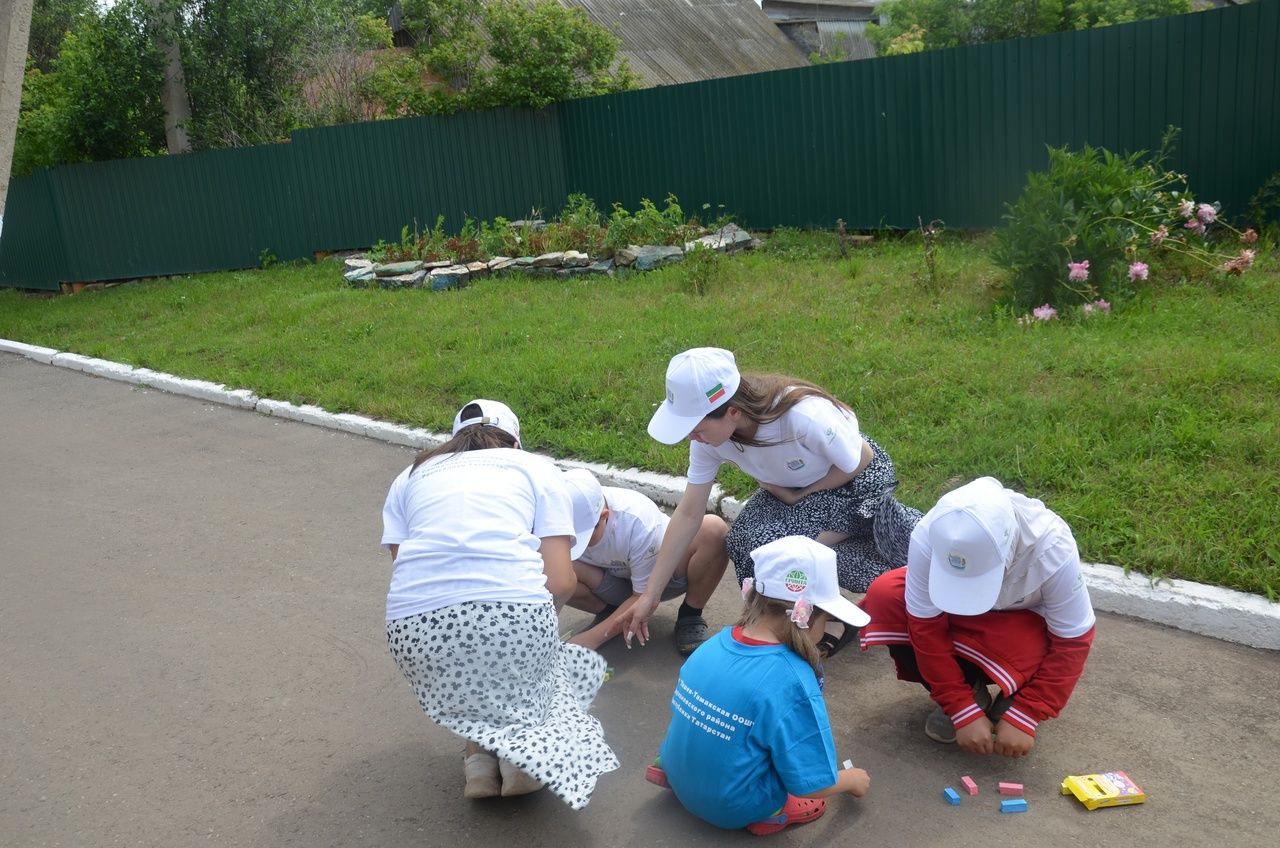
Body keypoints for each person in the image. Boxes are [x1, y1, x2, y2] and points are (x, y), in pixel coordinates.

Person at [380, 399, 618, 808]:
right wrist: (537, 626)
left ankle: (479, 762)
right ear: (515, 440)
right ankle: (521, 762)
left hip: (413, 631)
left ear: (454, 440)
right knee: (538, 660)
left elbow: (405, 566)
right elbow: (561, 581)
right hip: (510, 619)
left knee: (473, 666)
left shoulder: (411, 474)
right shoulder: (536, 468)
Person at [620, 346, 920, 657]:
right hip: (789, 488)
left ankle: (822, 620)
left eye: (695, 429)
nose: (690, 438)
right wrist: (650, 595)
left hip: (854, 485)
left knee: (782, 549)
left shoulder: (803, 416)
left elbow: (861, 460)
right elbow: (689, 512)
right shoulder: (710, 438)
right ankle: (799, 620)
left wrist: (799, 495)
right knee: (744, 543)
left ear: (733, 411)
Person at [647, 536, 872, 836]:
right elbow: (812, 783)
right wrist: (852, 779)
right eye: (828, 619)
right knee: (806, 796)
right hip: (730, 807)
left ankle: (677, 773)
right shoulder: (794, 680)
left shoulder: (713, 644)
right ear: (808, 617)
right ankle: (770, 813)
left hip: (677, 769)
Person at [859, 476, 1096, 758]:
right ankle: (972, 695)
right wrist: (960, 707)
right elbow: (924, 627)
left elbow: (1073, 640)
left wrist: (1029, 712)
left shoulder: (1053, 547)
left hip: (1021, 626)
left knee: (1032, 647)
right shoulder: (929, 534)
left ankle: (1018, 698)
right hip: (958, 621)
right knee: (886, 596)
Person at [560, 468, 730, 654]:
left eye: (584, 537)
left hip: (662, 580)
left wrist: (589, 640)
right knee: (547, 568)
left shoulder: (637, 521)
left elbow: (645, 597)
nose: (577, 544)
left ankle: (690, 615)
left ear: (604, 516)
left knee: (713, 530)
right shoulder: (551, 519)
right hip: (613, 581)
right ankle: (609, 612)